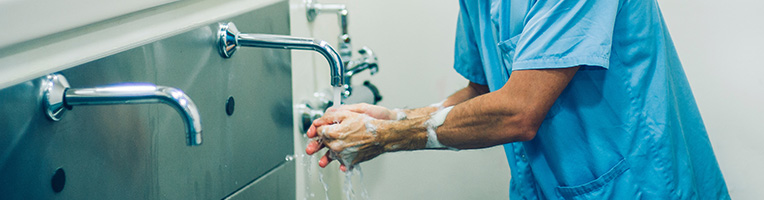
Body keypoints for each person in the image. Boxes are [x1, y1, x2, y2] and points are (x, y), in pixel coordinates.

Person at [306, 0, 730, 199]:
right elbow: (484, 92)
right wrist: (392, 116)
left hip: (636, 187)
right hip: (547, 187)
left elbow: (520, 110)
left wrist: (387, 135)